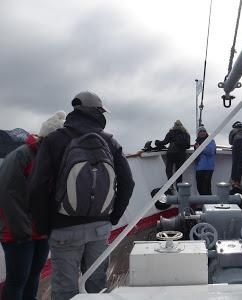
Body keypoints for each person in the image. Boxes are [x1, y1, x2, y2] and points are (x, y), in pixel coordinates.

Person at [28, 92, 135, 299]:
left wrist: (44, 225)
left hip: (63, 227)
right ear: (96, 111)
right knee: (97, 286)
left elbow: (36, 187)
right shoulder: (109, 142)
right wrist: (112, 217)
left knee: (65, 289)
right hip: (99, 226)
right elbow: (128, 183)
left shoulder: (53, 140)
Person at [0, 111, 65, 300]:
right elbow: (7, 196)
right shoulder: (21, 156)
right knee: (17, 279)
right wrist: (22, 232)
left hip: (41, 231)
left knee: (34, 275)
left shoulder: (51, 157)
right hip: (17, 233)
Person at [155, 120, 190, 187]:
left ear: (174, 125)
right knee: (179, 173)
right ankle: (179, 189)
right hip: (181, 155)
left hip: (171, 154)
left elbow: (164, 142)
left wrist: (157, 142)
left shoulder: (171, 133)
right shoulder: (186, 134)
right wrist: (180, 143)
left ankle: (170, 186)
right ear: (182, 126)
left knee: (169, 170)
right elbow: (187, 145)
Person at [194, 126, 216, 195]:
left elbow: (211, 151)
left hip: (207, 168)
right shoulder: (197, 142)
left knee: (206, 188)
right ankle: (204, 203)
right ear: (198, 133)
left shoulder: (210, 140)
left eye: (204, 131)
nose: (203, 133)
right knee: (199, 187)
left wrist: (200, 148)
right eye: (201, 131)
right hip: (199, 168)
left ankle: (209, 204)